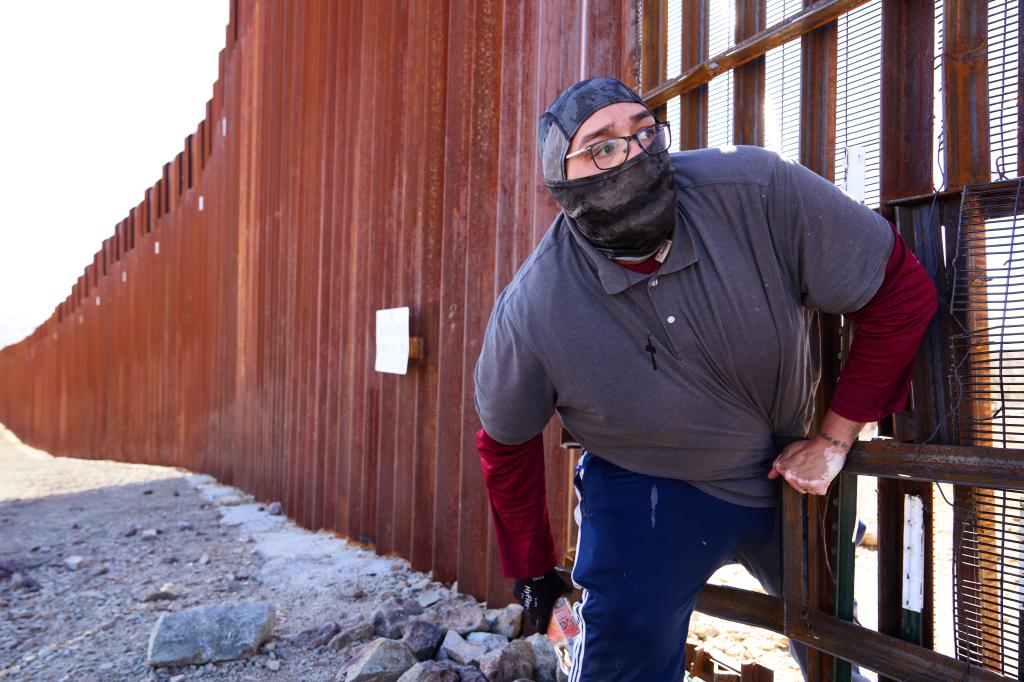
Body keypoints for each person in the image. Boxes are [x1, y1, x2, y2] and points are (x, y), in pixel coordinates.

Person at [474, 77, 937, 681]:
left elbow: (901, 290)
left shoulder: (756, 190)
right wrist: (533, 569)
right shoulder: (535, 308)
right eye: (604, 146)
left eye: (644, 132)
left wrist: (833, 440)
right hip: (648, 485)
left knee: (834, 647)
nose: (635, 153)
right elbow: (504, 443)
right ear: (561, 183)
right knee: (624, 657)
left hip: (787, 473)